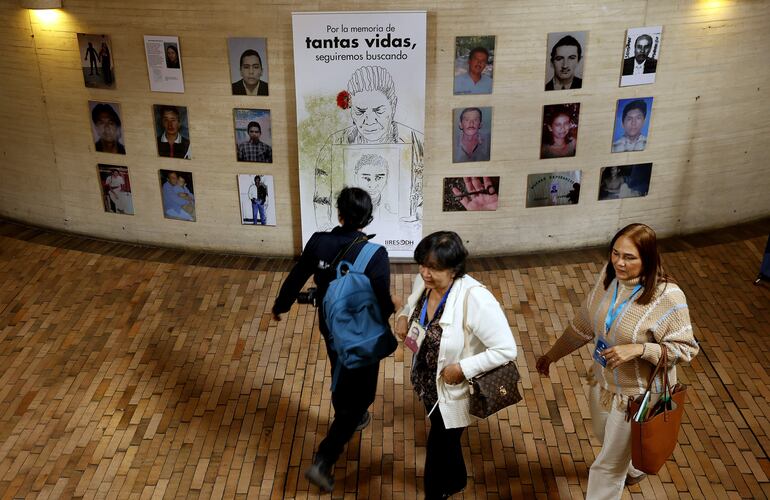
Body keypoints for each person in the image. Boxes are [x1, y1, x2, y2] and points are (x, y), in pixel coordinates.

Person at [535, 223, 699, 499]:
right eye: (615, 253)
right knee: (604, 435)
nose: (619, 263)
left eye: (629, 257)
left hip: (639, 395)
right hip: (604, 382)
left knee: (607, 466)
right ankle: (635, 467)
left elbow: (686, 349)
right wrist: (553, 354)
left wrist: (639, 349)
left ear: (648, 258)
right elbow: (585, 323)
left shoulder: (668, 297)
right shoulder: (608, 278)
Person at [271, 187, 398, 493]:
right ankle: (324, 459)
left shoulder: (318, 242)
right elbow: (383, 302)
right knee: (360, 398)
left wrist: (281, 305)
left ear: (339, 214)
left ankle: (346, 409)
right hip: (364, 334)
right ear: (367, 218)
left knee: (339, 365)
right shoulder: (375, 254)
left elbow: (297, 277)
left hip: (331, 327)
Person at [393, 231, 517, 499]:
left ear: (454, 269)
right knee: (447, 439)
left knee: (438, 445)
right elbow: (413, 306)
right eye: (422, 264)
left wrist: (462, 368)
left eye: (433, 268)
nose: (424, 273)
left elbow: (506, 349)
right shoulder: (424, 280)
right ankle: (458, 479)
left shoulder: (475, 299)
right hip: (428, 383)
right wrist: (403, 316)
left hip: (452, 391)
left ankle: (434, 494)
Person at [314, 65, 424, 230]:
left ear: (393, 106)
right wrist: (328, 230)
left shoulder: (416, 142)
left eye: (379, 111)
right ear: (351, 110)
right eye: (360, 111)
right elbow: (321, 200)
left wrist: (420, 217)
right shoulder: (334, 144)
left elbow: (427, 190)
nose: (369, 120)